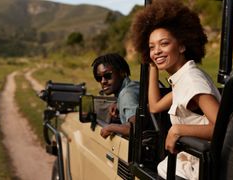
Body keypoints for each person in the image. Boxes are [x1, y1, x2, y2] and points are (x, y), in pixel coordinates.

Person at [131, 0, 221, 179]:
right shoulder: (182, 79)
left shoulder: (191, 80)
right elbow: (155, 106)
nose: (156, 51)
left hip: (198, 169)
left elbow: (222, 127)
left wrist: (178, 129)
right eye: (151, 47)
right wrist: (153, 67)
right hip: (187, 165)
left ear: (182, 45)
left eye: (164, 43)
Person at [91, 53, 140, 139]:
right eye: (99, 78)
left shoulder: (127, 94)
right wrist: (118, 104)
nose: (103, 81)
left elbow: (135, 128)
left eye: (107, 75)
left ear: (122, 73)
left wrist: (111, 127)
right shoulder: (134, 86)